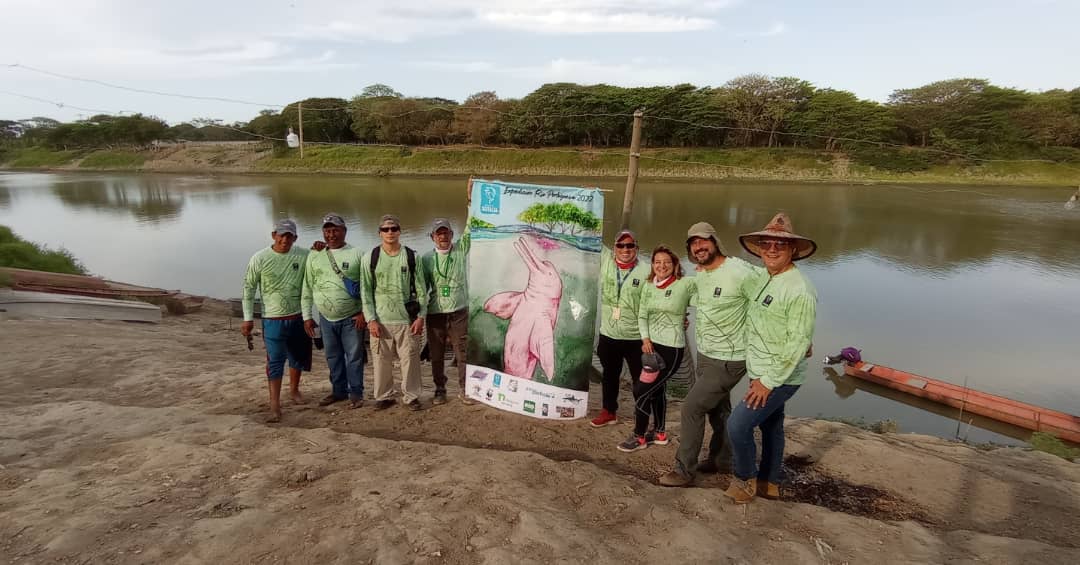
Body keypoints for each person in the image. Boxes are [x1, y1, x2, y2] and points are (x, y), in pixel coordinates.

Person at [724, 212, 817, 503]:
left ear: (792, 250)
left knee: (738, 425)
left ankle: (745, 480)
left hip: (778, 376)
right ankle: (770, 481)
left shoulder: (800, 290)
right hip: (761, 368)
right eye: (767, 243)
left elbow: (797, 343)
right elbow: (736, 274)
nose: (772, 249)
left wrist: (767, 382)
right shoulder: (764, 276)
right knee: (771, 425)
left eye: (780, 244)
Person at [659, 222, 760, 487]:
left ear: (715, 241)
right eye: (692, 243)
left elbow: (769, 298)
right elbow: (690, 299)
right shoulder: (702, 274)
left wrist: (796, 337)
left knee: (692, 407)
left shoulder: (740, 271)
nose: (698, 247)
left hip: (731, 356)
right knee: (719, 410)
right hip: (706, 353)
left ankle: (683, 470)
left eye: (703, 241)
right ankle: (722, 459)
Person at [617, 245, 695, 452]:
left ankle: (639, 436)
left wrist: (686, 318)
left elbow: (707, 301)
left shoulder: (685, 285)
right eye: (657, 262)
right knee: (656, 390)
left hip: (672, 348)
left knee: (640, 390)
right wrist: (645, 339)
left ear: (675, 265)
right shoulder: (649, 286)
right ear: (652, 265)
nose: (662, 266)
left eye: (667, 262)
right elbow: (642, 315)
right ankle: (660, 433)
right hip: (652, 348)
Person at [241, 218, 311, 423]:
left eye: (289, 236)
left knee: (298, 357)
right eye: (281, 235)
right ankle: (274, 404)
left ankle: (295, 390)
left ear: (295, 238)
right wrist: (247, 319)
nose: (285, 240)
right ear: (274, 235)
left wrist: (320, 247)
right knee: (275, 361)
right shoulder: (259, 258)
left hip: (298, 316)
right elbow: (248, 288)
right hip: (272, 319)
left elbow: (321, 261)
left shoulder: (304, 255)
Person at [301, 213, 367, 409]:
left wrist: (365, 313)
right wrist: (307, 316)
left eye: (335, 230)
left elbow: (368, 287)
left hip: (351, 318)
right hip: (326, 318)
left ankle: (356, 393)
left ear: (344, 231)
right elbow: (307, 287)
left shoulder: (357, 254)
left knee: (354, 357)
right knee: (332, 356)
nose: (331, 235)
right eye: (327, 231)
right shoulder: (314, 254)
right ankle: (338, 392)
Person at [363, 214, 428, 411]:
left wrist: (421, 316)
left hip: (406, 320)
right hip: (381, 320)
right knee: (381, 361)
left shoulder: (411, 256)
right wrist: (370, 319)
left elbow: (422, 290)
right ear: (379, 233)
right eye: (385, 229)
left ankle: (411, 396)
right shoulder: (370, 257)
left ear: (400, 231)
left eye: (393, 229)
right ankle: (384, 396)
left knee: (410, 360)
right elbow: (365, 291)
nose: (390, 232)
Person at [590, 229, 651, 428]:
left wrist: (680, 316)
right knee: (609, 375)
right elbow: (591, 233)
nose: (625, 249)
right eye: (620, 245)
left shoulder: (647, 270)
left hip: (636, 336)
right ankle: (609, 411)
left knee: (640, 380)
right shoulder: (606, 261)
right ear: (614, 248)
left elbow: (663, 294)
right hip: (609, 334)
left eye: (630, 245)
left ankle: (642, 416)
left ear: (637, 248)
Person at [420, 218, 471, 405]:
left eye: (446, 233)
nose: (443, 236)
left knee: (462, 353)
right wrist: (418, 313)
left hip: (459, 311)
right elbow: (421, 289)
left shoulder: (460, 250)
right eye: (438, 233)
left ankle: (465, 389)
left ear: (452, 235)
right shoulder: (425, 259)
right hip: (435, 313)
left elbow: (470, 229)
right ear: (432, 237)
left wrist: (471, 202)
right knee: (436, 353)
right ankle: (440, 389)